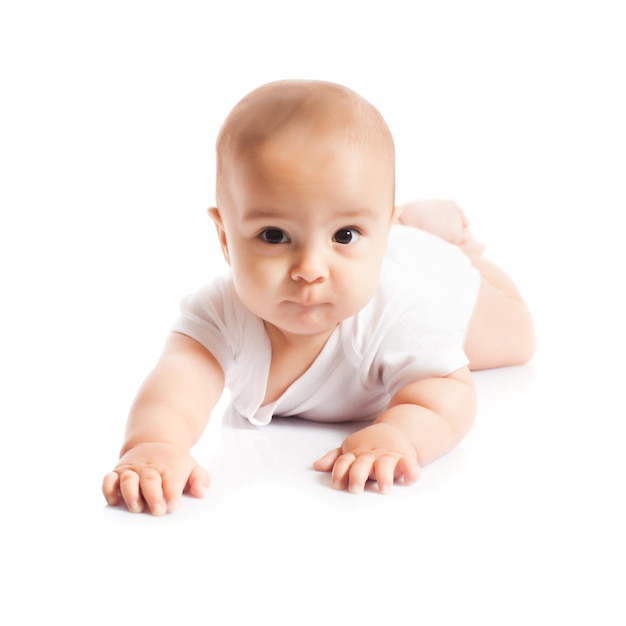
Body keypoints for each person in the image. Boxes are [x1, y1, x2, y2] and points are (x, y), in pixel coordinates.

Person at [102, 79, 535, 515]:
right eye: (274, 235)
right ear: (225, 237)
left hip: (431, 273)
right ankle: (390, 228)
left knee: (519, 338)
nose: (309, 268)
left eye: (343, 233)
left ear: (380, 232)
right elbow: (176, 386)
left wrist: (399, 434)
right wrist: (155, 444)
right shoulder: (220, 314)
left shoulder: (398, 314)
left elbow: (446, 390)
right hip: (379, 252)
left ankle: (450, 242)